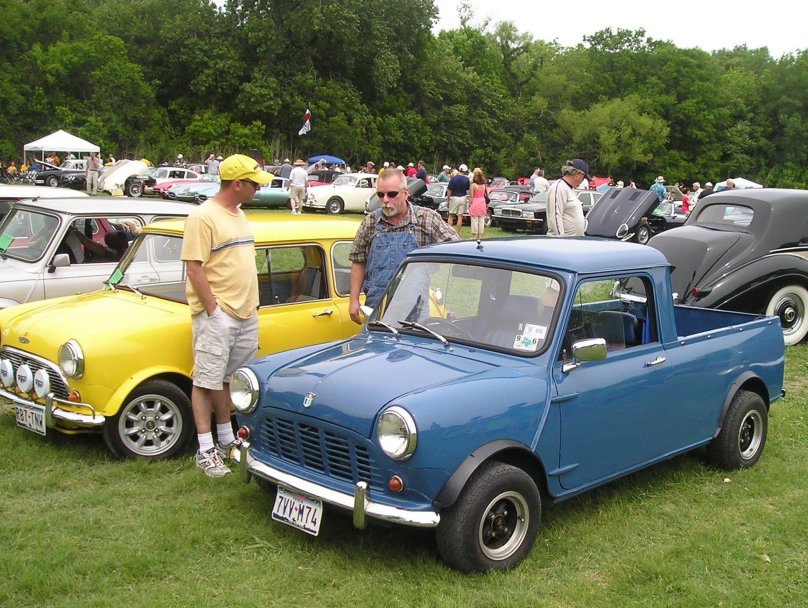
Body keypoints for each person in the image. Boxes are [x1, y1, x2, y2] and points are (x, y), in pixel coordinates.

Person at [181, 154, 272, 477]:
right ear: (237, 184)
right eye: (254, 184)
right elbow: (194, 266)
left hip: (246, 312)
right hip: (219, 314)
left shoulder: (239, 214)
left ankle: (225, 437)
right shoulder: (203, 217)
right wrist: (212, 310)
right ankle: (205, 449)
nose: (258, 190)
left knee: (228, 379)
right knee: (205, 380)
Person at [348, 169, 459, 322]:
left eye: (392, 194)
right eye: (380, 195)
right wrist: (353, 300)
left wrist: (434, 263)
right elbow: (358, 260)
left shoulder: (426, 219)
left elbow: (457, 248)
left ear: (405, 193)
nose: (385, 200)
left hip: (415, 309)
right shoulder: (370, 222)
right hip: (377, 306)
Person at [546, 159, 592, 236]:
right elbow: (555, 216)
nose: (582, 181)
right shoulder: (559, 187)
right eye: (583, 177)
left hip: (573, 242)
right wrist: (562, 240)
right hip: (563, 243)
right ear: (577, 173)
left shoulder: (570, 188)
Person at [446, 163, 470, 233]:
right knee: (460, 216)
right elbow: (467, 188)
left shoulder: (453, 178)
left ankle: (449, 232)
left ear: (459, 169)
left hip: (455, 197)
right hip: (463, 197)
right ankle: (457, 233)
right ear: (465, 171)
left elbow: (449, 190)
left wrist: (448, 201)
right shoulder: (466, 179)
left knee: (451, 215)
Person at [468, 168, 488, 240]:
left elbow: (471, 196)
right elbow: (486, 194)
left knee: (474, 220)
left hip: (475, 202)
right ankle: (480, 236)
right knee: (481, 220)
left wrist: (469, 204)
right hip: (482, 202)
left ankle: (474, 236)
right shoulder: (484, 185)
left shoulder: (473, 185)